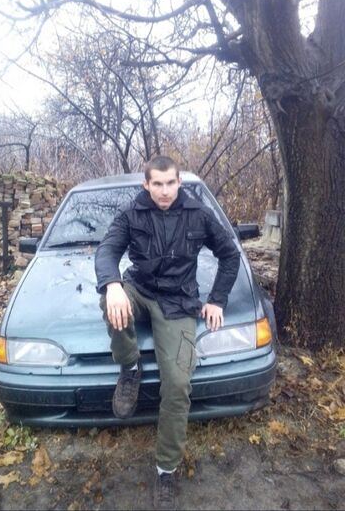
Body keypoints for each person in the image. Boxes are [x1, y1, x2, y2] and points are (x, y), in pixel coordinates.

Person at [95, 156, 240, 510]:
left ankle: (166, 470)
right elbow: (107, 250)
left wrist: (217, 300)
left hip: (178, 301)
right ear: (146, 185)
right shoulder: (132, 213)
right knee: (110, 302)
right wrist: (112, 285)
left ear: (179, 182)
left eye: (170, 183)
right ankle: (130, 367)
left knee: (176, 385)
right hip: (140, 290)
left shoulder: (198, 213)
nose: (164, 191)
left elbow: (230, 254)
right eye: (157, 184)